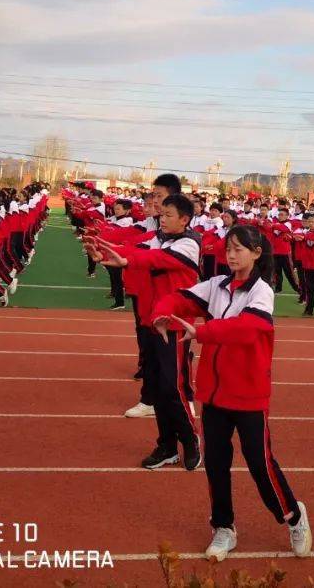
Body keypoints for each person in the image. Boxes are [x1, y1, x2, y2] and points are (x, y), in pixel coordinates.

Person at [151, 225, 311, 562]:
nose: (232, 254)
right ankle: (223, 527)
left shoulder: (262, 292)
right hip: (213, 392)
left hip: (249, 392)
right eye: (229, 248)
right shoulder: (215, 286)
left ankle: (294, 516)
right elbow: (179, 296)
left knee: (259, 463)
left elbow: (248, 329)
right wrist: (163, 313)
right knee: (217, 463)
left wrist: (204, 330)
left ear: (256, 253)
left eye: (240, 248)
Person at [90, 193, 201, 469]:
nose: (161, 219)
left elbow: (154, 259)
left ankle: (190, 440)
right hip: (152, 321)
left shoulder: (188, 244)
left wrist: (126, 260)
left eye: (168, 215)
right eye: (161, 215)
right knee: (156, 387)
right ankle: (166, 445)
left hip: (174, 326)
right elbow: (135, 248)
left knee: (172, 388)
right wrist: (104, 252)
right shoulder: (159, 239)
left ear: (185, 219)